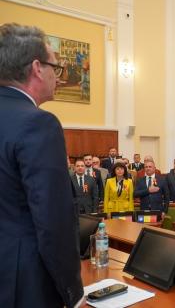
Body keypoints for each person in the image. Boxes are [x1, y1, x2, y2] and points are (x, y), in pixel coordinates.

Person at [0, 23, 83, 307]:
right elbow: (53, 221)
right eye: (55, 68)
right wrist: (73, 291)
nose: (58, 78)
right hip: (24, 283)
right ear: (37, 68)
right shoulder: (38, 123)